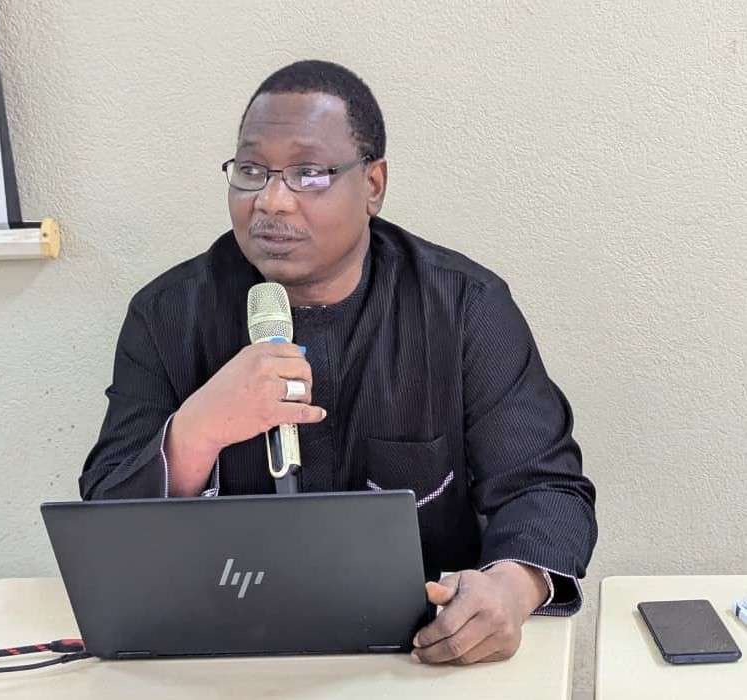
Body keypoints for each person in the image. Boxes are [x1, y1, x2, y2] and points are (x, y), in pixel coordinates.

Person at [80, 60, 597, 666]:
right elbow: (103, 536)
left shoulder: (463, 307)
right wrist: (195, 434)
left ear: (373, 184)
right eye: (251, 171)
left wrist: (511, 588)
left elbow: (545, 487)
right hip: (218, 656)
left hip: (419, 654)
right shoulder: (167, 314)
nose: (272, 201)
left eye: (309, 173)